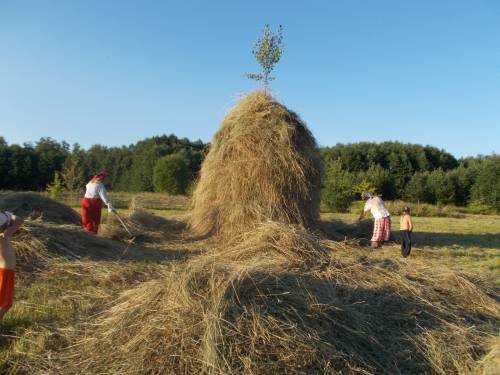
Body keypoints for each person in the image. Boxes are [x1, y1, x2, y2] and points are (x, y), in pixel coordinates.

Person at [0, 211, 24, 320]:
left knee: (5, 304)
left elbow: (19, 219)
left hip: (5, 270)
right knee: (4, 304)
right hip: (4, 271)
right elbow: (18, 218)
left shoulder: (2, 216)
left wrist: (7, 233)